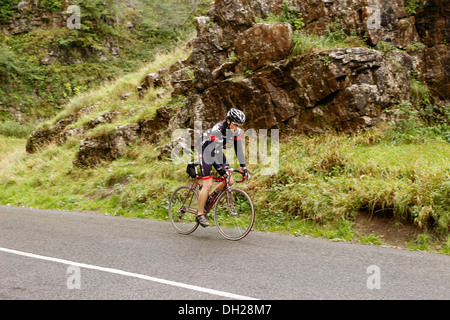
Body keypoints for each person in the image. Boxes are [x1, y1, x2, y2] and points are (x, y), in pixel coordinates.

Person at [196, 108, 249, 227]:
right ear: (229, 121)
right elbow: (210, 152)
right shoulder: (218, 129)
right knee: (208, 184)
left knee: (229, 180)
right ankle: (199, 214)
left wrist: (244, 167)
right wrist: (219, 169)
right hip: (206, 149)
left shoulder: (236, 131)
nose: (237, 127)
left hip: (217, 150)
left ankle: (208, 198)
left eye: (240, 125)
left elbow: (238, 149)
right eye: (236, 124)